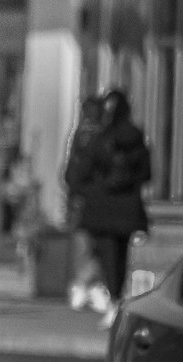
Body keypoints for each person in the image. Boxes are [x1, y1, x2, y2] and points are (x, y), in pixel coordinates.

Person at [75, 88, 151, 328]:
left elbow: (82, 172)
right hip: (127, 209)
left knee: (106, 256)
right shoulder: (137, 138)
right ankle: (116, 301)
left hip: (103, 209)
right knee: (121, 257)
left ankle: (111, 301)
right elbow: (147, 173)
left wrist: (92, 189)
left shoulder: (102, 138)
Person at [62, 95, 107, 313]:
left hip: (84, 198)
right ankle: (86, 285)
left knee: (86, 244)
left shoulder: (81, 136)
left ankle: (86, 285)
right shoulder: (92, 137)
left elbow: (71, 171)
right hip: (92, 199)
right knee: (91, 245)